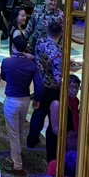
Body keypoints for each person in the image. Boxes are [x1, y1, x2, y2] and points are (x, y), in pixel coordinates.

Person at [28, 20, 63, 148]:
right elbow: (58, 77)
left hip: (39, 82)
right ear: (60, 33)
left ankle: (32, 139)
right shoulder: (57, 52)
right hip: (52, 87)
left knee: (38, 113)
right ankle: (52, 143)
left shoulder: (40, 42)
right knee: (53, 116)